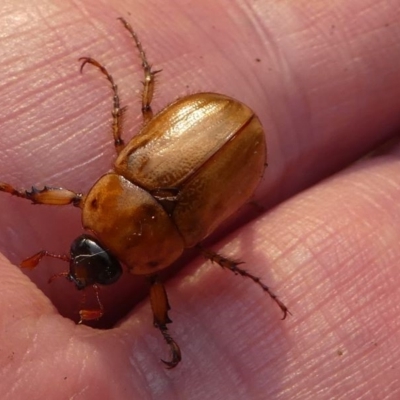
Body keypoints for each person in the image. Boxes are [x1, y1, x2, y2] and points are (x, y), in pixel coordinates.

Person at [0, 0, 399, 398]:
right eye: (99, 270)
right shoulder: (132, 211)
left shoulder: (149, 244)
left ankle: (142, 76)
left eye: (79, 251)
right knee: (137, 123)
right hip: (222, 136)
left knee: (142, 120)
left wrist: (21, 194)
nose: (80, 269)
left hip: (217, 128)